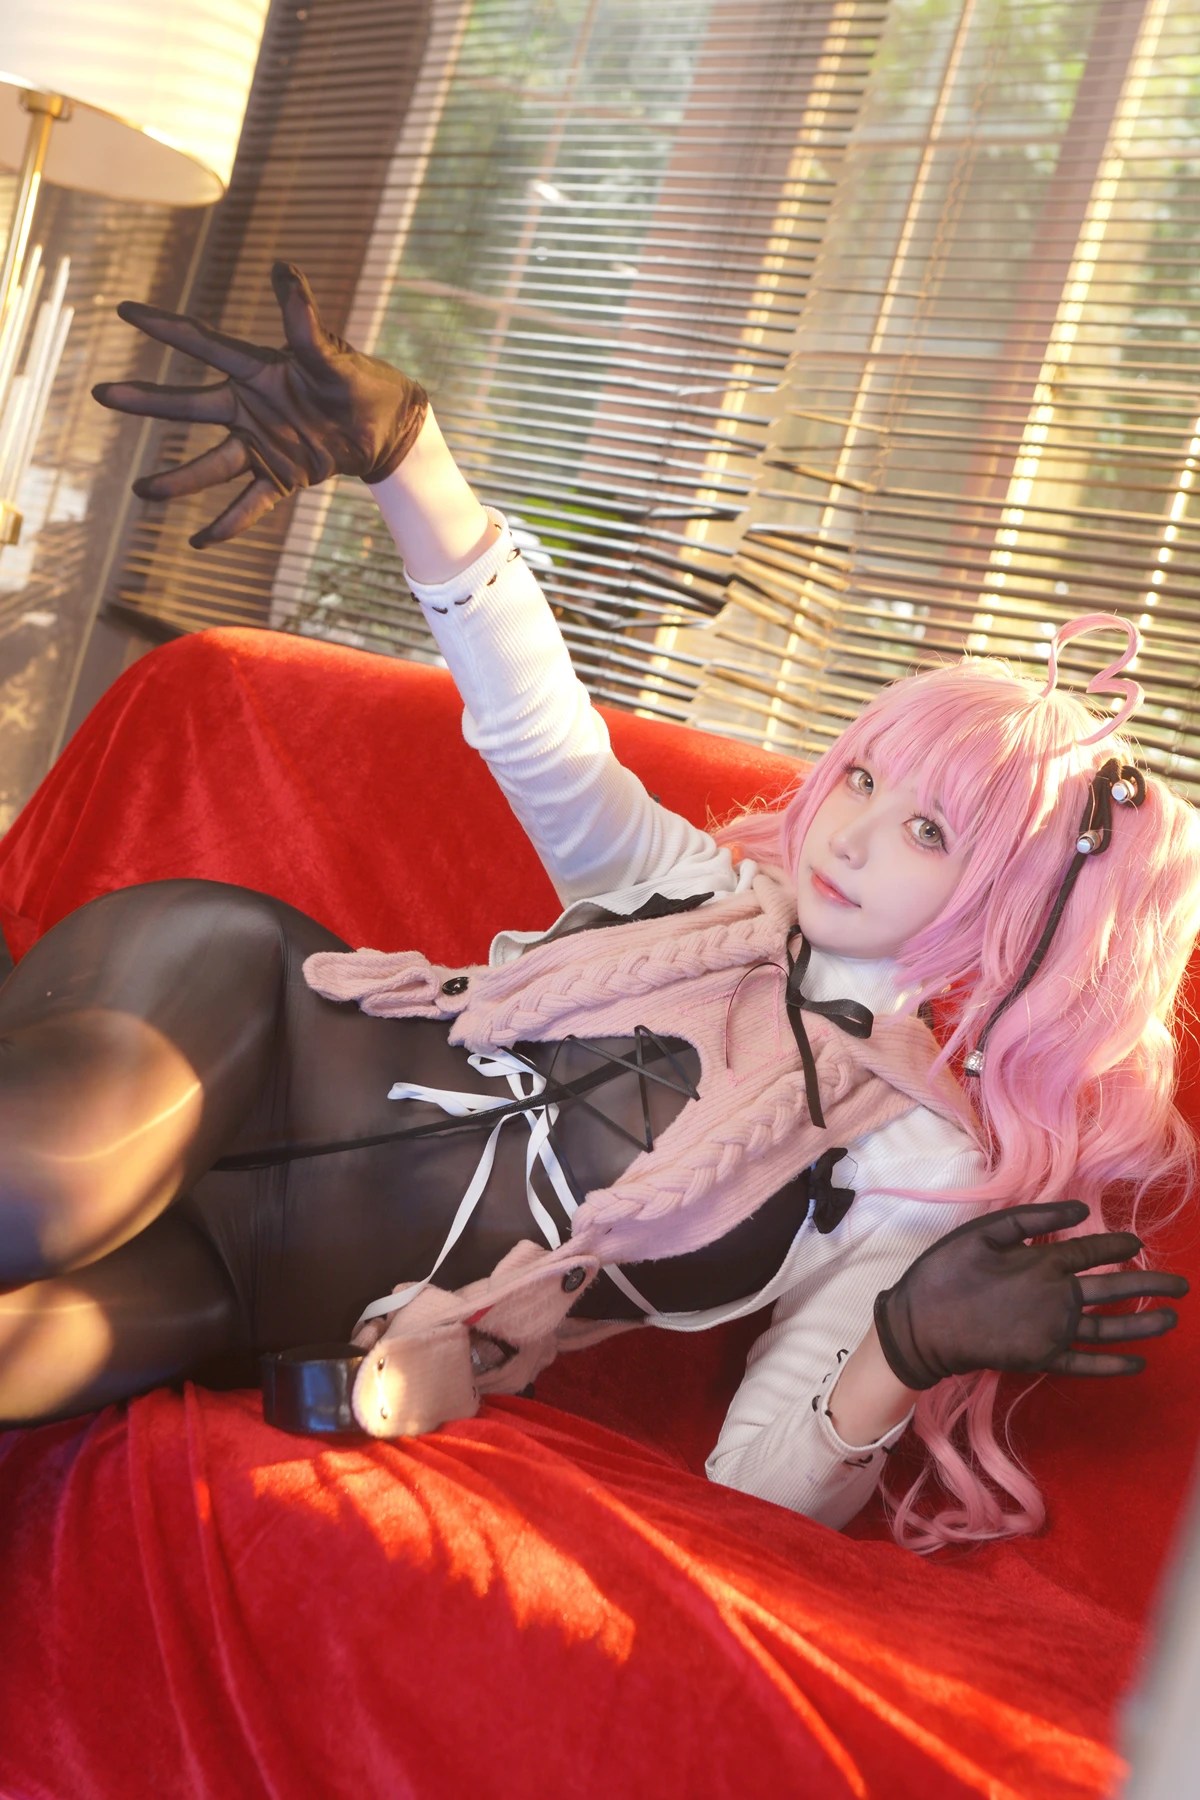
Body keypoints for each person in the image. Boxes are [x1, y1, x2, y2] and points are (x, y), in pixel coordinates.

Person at [0, 268, 1191, 1554]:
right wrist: (410, 459)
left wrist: (899, 1350)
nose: (848, 832)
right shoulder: (695, 890)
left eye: (930, 830)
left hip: (287, 1292)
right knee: (35, 1200)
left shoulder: (916, 1167)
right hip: (240, 1019)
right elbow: (538, 729)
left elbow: (750, 1491)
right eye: (861, 777)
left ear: (1019, 907)